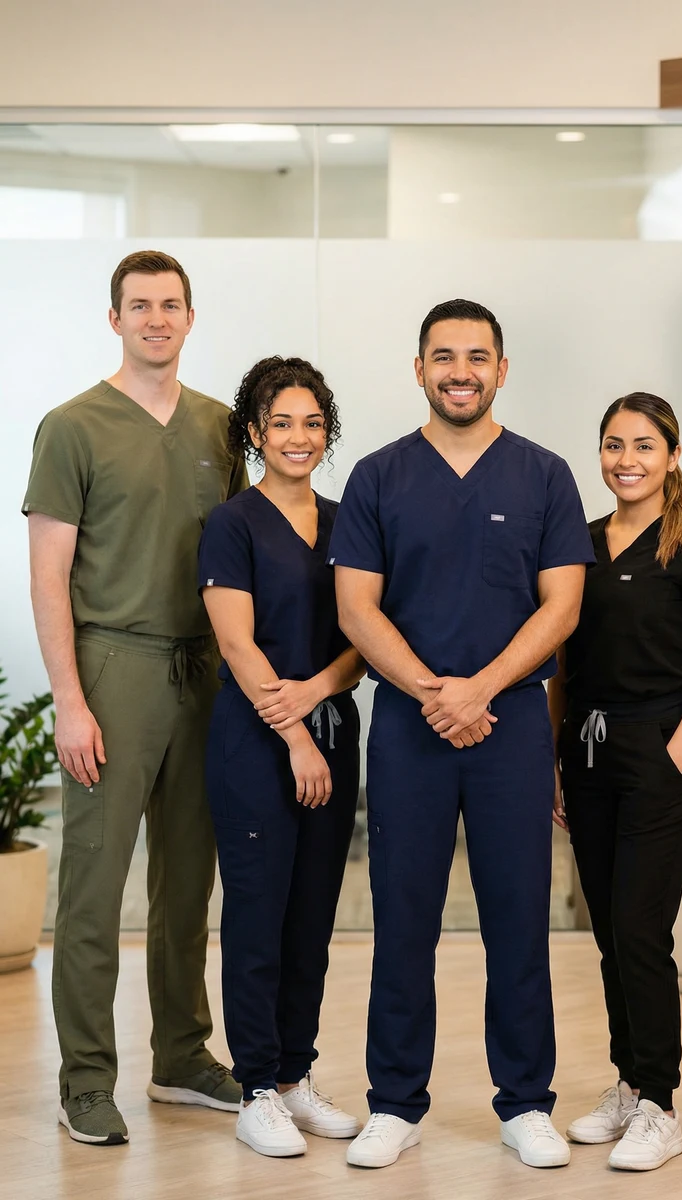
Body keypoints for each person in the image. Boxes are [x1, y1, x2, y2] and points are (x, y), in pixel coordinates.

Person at [328, 298, 594, 1170]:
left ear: (502, 370)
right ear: (418, 369)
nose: (460, 371)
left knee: (518, 919)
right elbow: (355, 607)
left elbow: (563, 605)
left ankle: (525, 1103)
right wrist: (432, 691)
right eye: (443, 356)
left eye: (477, 356)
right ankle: (394, 1103)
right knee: (401, 919)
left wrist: (479, 687)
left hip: (511, 723)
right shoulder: (377, 476)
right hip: (409, 727)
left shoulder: (545, 475)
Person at [23, 250, 247, 1145]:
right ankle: (86, 1079)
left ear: (191, 318)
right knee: (94, 887)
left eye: (172, 305)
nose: (157, 318)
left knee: (189, 882)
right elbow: (48, 581)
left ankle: (183, 1056)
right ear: (113, 318)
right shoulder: (72, 426)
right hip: (112, 667)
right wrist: (70, 702)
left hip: (206, 672)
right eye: (140, 305)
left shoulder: (223, 426)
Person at [550, 392, 682, 1172]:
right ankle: (629, 1084)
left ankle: (660, 1104)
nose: (627, 459)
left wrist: (674, 754)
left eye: (644, 446)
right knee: (608, 936)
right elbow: (562, 657)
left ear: (673, 456)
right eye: (614, 445)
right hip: (587, 750)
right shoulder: (581, 542)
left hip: (660, 748)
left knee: (640, 929)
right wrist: (558, 757)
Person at [199, 356, 364, 1158]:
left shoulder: (346, 522)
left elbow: (363, 641)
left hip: (332, 737)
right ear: (255, 432)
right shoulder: (233, 523)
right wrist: (294, 730)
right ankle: (256, 1086)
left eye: (311, 422)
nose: (297, 437)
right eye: (281, 423)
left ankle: (296, 1078)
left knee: (311, 920)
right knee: (259, 917)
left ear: (325, 430)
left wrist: (317, 696)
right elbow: (236, 640)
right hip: (257, 745)